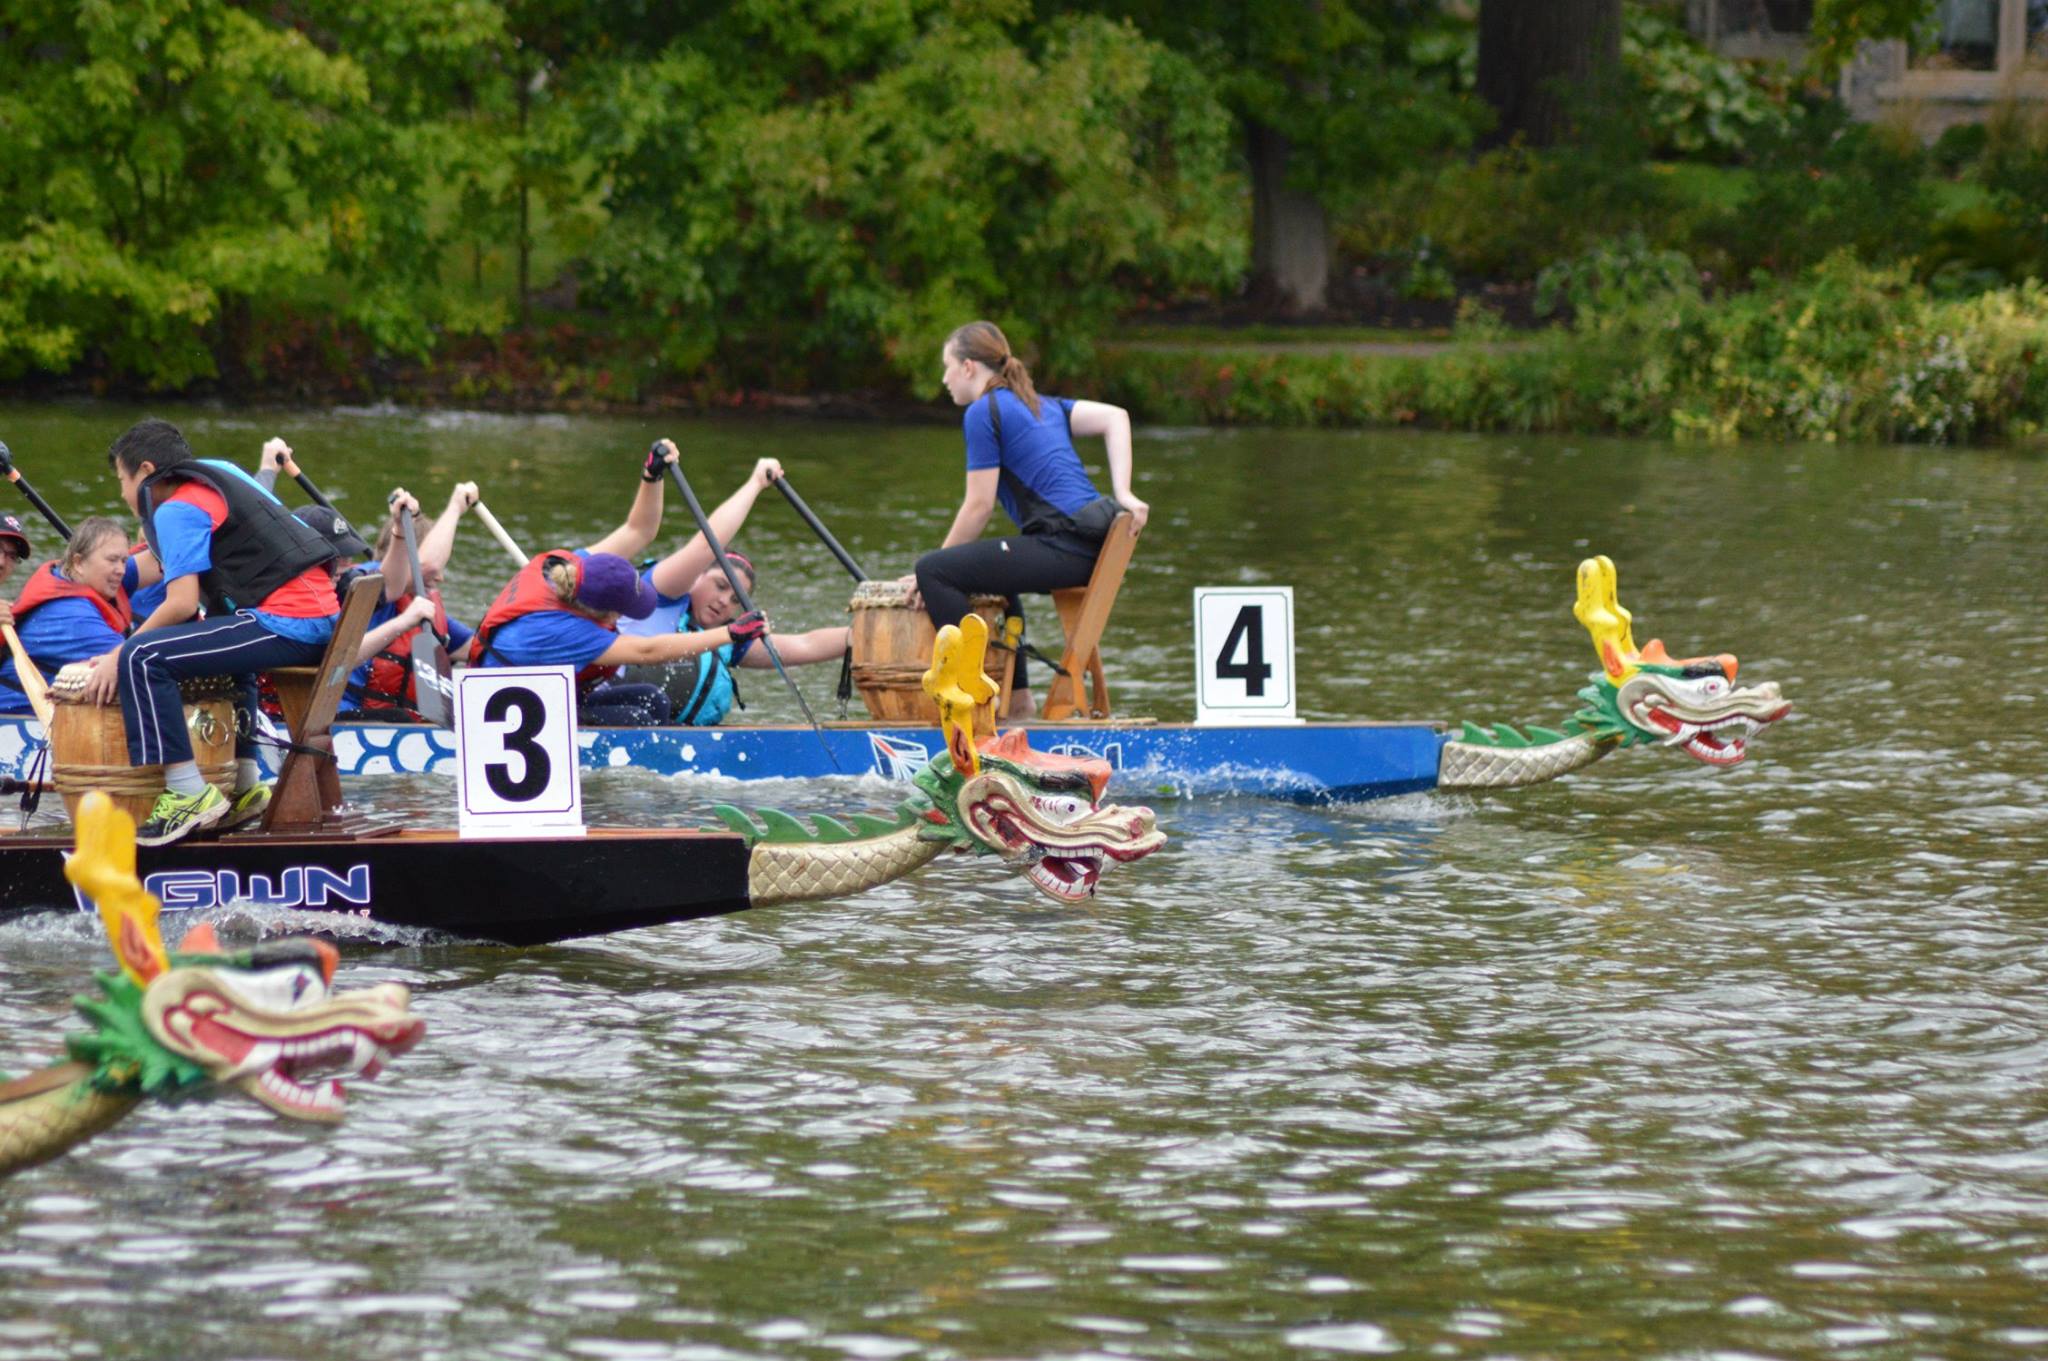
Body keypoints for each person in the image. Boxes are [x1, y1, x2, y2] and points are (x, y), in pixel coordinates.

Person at [82, 418, 341, 846]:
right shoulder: (222, 473)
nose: (124, 494)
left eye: (122, 481)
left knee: (142, 657)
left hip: (288, 623)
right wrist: (103, 575)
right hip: (322, 615)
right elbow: (167, 563)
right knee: (226, 643)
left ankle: (187, 794)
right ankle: (245, 785)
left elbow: (183, 602)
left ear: (145, 472)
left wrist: (118, 653)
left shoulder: (175, 509)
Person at [908, 321, 1149, 712]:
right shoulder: (1043, 404)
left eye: (947, 366)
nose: (944, 378)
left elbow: (978, 506)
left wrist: (929, 570)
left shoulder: (983, 412)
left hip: (1066, 545)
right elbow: (1116, 417)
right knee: (997, 578)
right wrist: (1123, 493)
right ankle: (1019, 700)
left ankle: (974, 702)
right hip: (1092, 546)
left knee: (934, 571)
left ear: (968, 367)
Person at [614, 445, 851, 725]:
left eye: (737, 600)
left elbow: (806, 644)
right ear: (696, 576)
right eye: (720, 585)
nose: (725, 601)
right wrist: (756, 483)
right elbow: (706, 545)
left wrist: (859, 636)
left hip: (673, 736)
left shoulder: (729, 640)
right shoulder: (660, 592)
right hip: (607, 715)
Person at [335, 482, 479, 720]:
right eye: (440, 563)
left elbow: (477, 648)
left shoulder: (422, 603)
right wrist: (455, 507)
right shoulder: (366, 581)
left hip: (395, 723)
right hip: (346, 719)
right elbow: (427, 566)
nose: (440, 577)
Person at [0, 517, 139, 713]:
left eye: (11, 555)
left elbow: (153, 563)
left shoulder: (71, 579)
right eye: (112, 560)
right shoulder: (72, 617)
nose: (1, 562)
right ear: (78, 563)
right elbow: (142, 665)